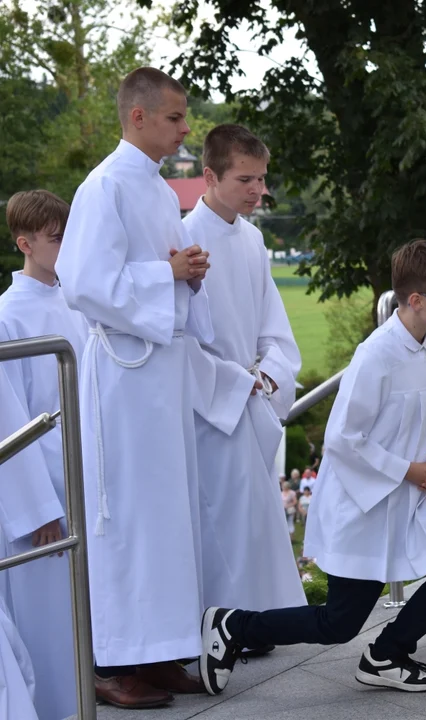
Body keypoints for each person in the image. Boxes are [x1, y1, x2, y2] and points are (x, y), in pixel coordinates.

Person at [198, 240, 426, 696]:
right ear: (416, 301)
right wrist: (406, 469)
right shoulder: (377, 355)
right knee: (339, 622)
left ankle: (387, 653)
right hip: (364, 502)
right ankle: (235, 626)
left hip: (418, 494)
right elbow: (343, 439)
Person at [53, 66, 213, 708]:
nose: (184, 130)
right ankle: (113, 661)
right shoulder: (105, 186)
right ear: (139, 117)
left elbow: (152, 274)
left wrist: (186, 276)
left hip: (159, 374)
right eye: (175, 118)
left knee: (166, 517)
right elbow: (83, 282)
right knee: (125, 517)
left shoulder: (153, 187)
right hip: (122, 376)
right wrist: (164, 274)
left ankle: (160, 649)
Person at [184, 124, 306, 621]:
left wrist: (270, 375)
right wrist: (235, 383)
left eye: (262, 179)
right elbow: (180, 337)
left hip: (251, 395)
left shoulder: (253, 240)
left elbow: (272, 324)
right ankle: (226, 621)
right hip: (208, 403)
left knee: (257, 520)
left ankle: (263, 619)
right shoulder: (185, 240)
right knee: (221, 520)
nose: (258, 191)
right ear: (210, 176)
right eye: (245, 180)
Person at [0, 190, 84, 720]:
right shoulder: (7, 316)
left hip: (82, 472)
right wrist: (37, 510)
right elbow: (7, 419)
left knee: (84, 617)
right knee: (48, 623)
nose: (67, 245)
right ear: (24, 242)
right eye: (57, 238)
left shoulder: (77, 298)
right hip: (41, 494)